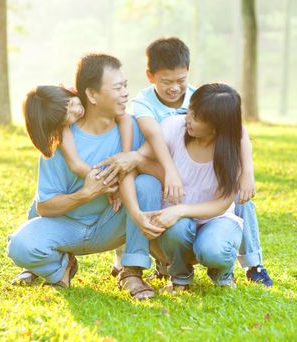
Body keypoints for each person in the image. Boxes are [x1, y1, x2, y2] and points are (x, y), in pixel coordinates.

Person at [98, 37, 273, 286]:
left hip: (200, 183)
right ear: (151, 76)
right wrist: (163, 170)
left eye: (181, 80)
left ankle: (249, 264)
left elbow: (237, 128)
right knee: (150, 191)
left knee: (240, 197)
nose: (175, 88)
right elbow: (153, 136)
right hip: (161, 170)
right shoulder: (146, 105)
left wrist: (248, 172)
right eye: (166, 81)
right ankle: (148, 265)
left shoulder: (201, 99)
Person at [7, 53, 160, 300]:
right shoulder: (59, 138)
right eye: (117, 87)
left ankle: (131, 271)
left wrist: (134, 159)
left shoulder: (135, 126)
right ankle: (61, 267)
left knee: (149, 185)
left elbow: (163, 177)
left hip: (114, 222)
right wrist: (87, 193)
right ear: (91, 94)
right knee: (20, 246)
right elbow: (44, 207)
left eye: (125, 86)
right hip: (69, 227)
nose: (125, 93)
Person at [123, 83, 245, 290]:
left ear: (215, 128)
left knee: (214, 250)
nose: (187, 118)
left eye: (196, 117)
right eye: (190, 110)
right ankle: (180, 278)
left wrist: (180, 210)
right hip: (177, 223)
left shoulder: (232, 151)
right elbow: (139, 159)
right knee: (176, 229)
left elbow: (223, 203)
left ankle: (222, 273)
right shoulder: (173, 126)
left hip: (216, 219)